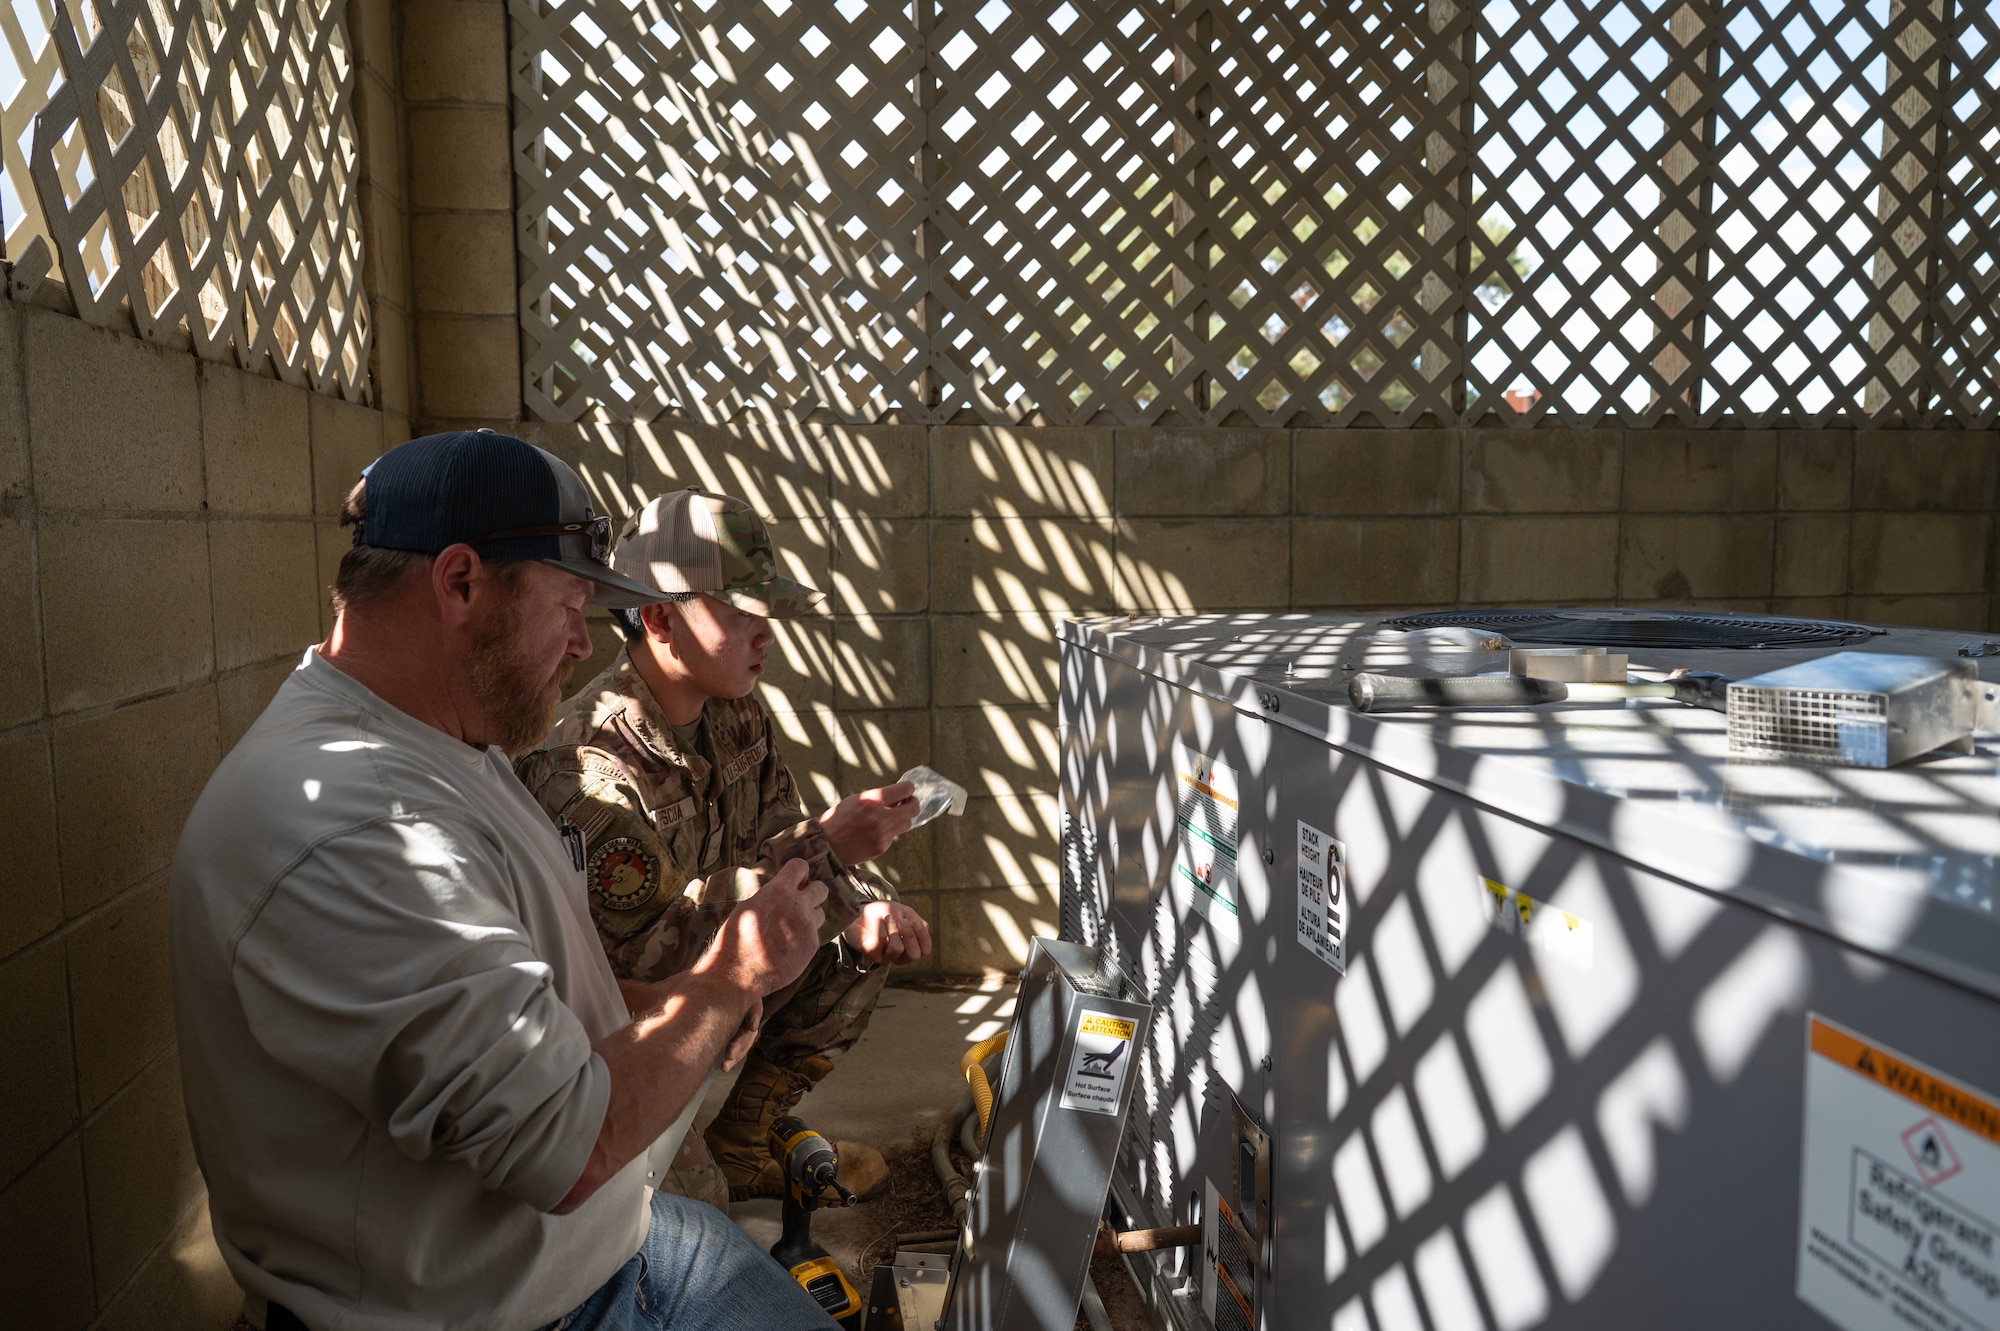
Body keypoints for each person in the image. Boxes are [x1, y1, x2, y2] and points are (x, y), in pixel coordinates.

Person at [169, 431, 840, 1331]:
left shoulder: (444, 743)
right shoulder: (358, 828)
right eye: (569, 605)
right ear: (459, 584)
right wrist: (729, 979)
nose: (579, 645)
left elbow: (527, 1011)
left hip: (612, 1250)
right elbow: (565, 1145)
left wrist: (674, 999)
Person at [517, 488, 932, 1207]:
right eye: (739, 611)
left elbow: (777, 835)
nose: (765, 632)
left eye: (764, 610)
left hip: (710, 993)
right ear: (658, 618)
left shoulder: (734, 713)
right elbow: (661, 959)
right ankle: (691, 1166)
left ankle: (742, 1140)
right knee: (690, 1227)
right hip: (622, 1037)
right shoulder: (588, 766)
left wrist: (857, 902)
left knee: (858, 942)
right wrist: (827, 846)